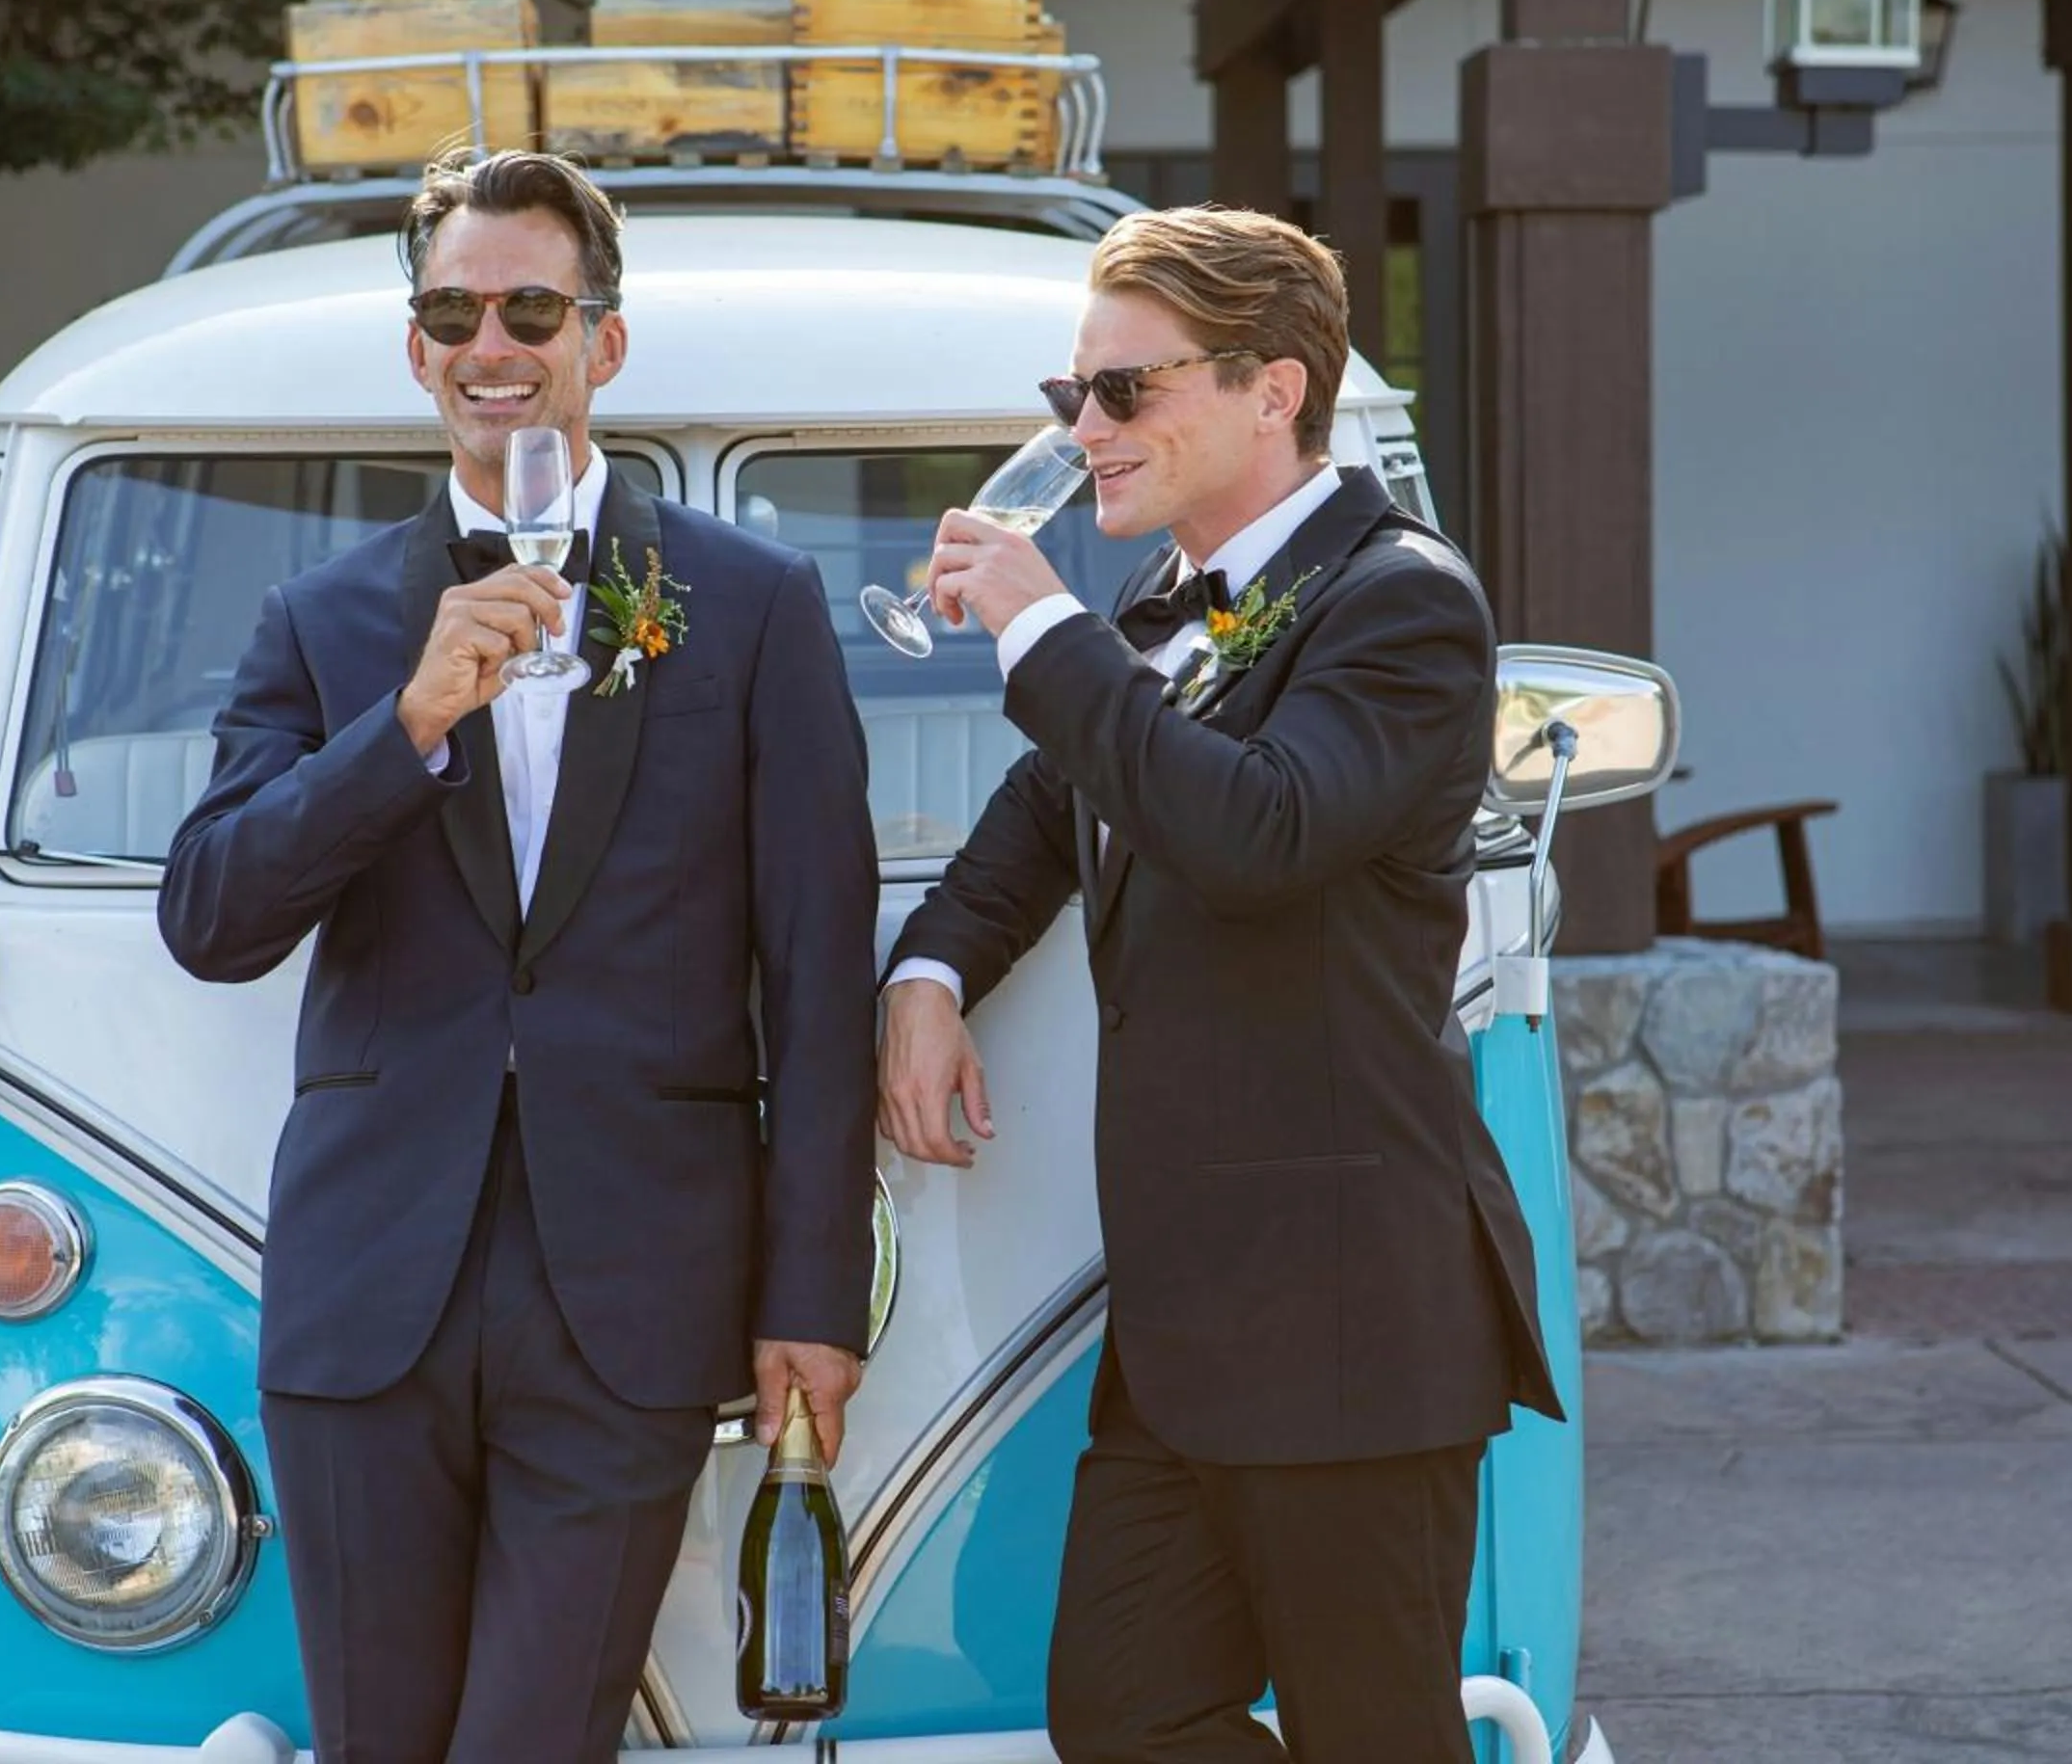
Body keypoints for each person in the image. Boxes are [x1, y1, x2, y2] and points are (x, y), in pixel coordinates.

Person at [160, 147, 878, 1764]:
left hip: (631, 1291)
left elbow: (819, 964)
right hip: (366, 1303)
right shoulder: (326, 620)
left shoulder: (752, 605)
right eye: (454, 310)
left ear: (602, 341)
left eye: (533, 305)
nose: (495, 342)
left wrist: (813, 1292)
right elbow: (210, 915)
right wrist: (403, 726)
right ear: (416, 350)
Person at [875, 204, 1561, 1764]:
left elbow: (1259, 833)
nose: (1087, 432)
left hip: (1349, 1312)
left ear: (1277, 391)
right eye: (1073, 399)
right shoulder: (1166, 620)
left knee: (1371, 1736)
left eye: (1127, 392)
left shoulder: (1404, 601)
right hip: (1191, 1325)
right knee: (1120, 1715)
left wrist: (1037, 621)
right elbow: (1043, 820)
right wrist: (927, 969)